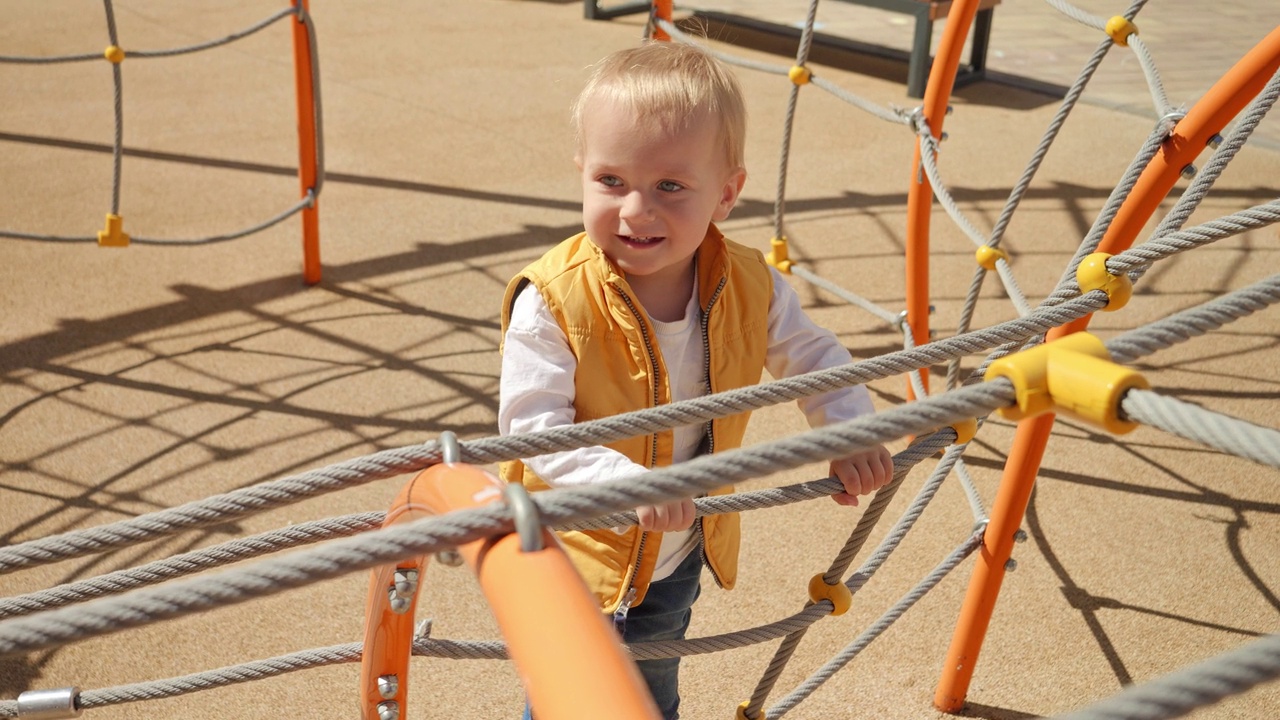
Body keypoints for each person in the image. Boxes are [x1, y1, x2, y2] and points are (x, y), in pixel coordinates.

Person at [497, 40, 893, 720]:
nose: (635, 211)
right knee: (568, 698)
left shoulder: (748, 283)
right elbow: (533, 433)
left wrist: (850, 428)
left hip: (677, 550)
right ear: (581, 174)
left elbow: (814, 354)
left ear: (727, 194)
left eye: (670, 187)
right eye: (611, 181)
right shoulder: (554, 300)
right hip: (574, 551)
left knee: (652, 696)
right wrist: (627, 484)